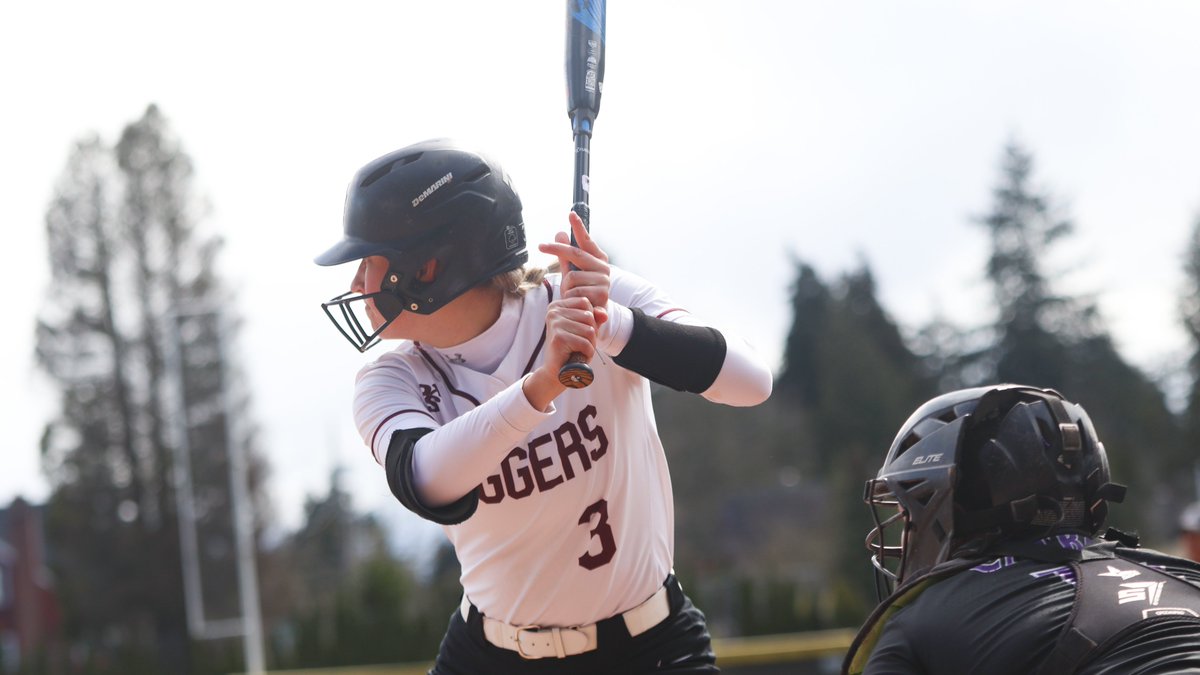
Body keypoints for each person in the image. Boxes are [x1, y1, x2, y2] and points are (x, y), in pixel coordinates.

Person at [314, 139, 772, 674]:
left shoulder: (591, 296)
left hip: (649, 647)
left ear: (428, 268)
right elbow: (426, 479)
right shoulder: (389, 380)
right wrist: (541, 387)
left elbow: (751, 381)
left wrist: (612, 324)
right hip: (492, 657)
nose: (356, 283)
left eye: (368, 261)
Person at [843, 384, 1200, 675]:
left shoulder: (923, 620)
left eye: (909, 512)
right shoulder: (1185, 574)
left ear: (951, 509)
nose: (905, 533)